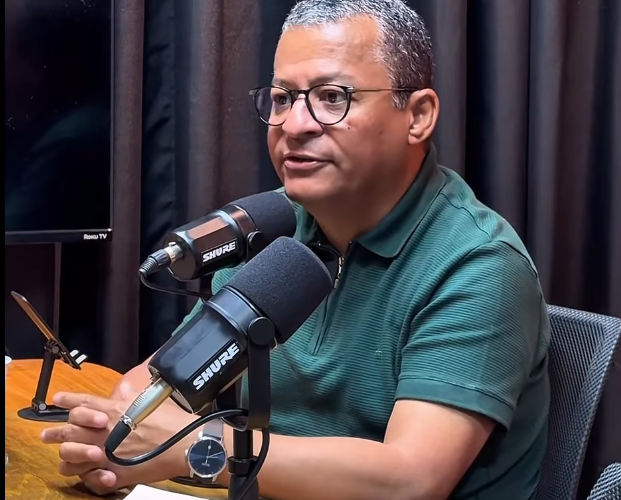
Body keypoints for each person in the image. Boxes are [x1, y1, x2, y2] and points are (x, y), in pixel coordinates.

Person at [40, 1, 551, 499]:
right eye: (283, 98)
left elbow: (409, 480)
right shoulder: (272, 227)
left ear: (417, 115)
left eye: (332, 97)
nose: (294, 124)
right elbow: (155, 387)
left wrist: (192, 448)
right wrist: (110, 445)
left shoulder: (479, 264)